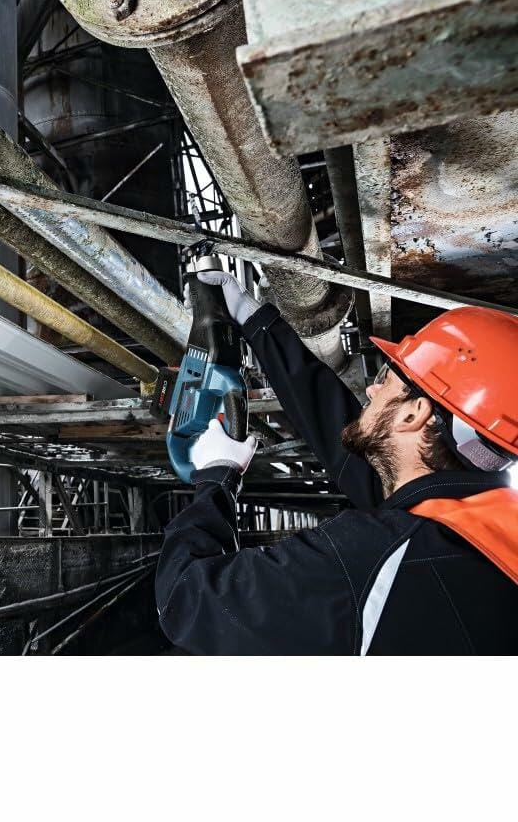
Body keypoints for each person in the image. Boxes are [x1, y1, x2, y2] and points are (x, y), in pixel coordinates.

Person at [155, 270, 518, 655]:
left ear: (414, 416)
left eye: (387, 378)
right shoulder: (484, 523)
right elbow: (342, 436)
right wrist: (257, 323)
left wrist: (215, 480)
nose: (374, 388)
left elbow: (185, 599)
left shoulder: (366, 556)